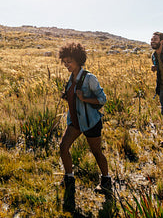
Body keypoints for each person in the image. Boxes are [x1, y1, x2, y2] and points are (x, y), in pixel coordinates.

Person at [58, 42, 110, 210]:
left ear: (78, 60)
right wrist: (68, 96)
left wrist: (84, 99)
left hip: (90, 122)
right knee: (63, 147)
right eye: (64, 62)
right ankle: (69, 179)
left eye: (69, 62)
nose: (66, 65)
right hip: (74, 122)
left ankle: (106, 181)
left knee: (96, 152)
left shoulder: (89, 78)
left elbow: (102, 100)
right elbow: (74, 96)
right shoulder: (72, 77)